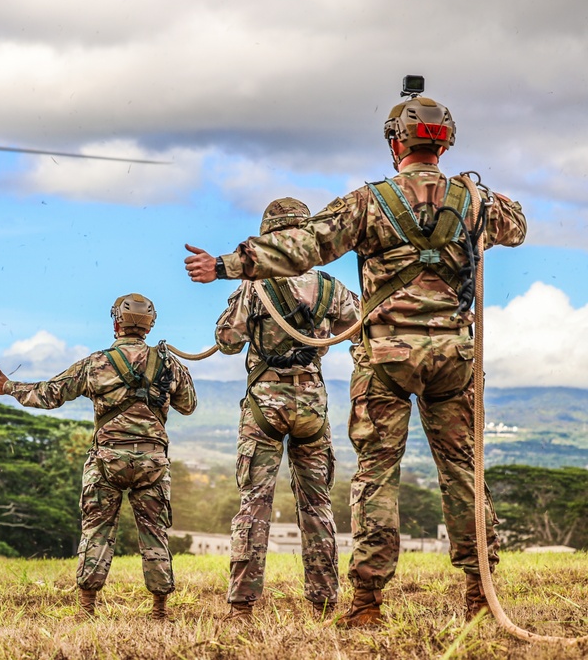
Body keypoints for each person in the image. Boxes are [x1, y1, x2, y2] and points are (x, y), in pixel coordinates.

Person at [184, 93, 526, 627]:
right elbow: (517, 227)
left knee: (375, 476)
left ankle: (367, 604)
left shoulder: (368, 203)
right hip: (455, 356)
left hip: (385, 357)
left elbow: (305, 245)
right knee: (463, 474)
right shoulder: (475, 201)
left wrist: (230, 265)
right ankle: (480, 595)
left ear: (395, 143)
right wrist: (476, 195)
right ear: (447, 142)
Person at [0, 294, 197, 620]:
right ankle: (159, 612)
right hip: (153, 463)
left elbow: (50, 394)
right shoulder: (168, 363)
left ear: (116, 322)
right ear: (150, 325)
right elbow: (188, 405)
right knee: (155, 535)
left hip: (107, 461)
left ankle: (87, 609)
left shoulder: (96, 363)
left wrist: (9, 387)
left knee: (96, 531)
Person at [215, 198, 360, 621]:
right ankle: (323, 600)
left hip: (265, 401)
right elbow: (358, 327)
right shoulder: (331, 288)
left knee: (255, 503)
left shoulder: (254, 285)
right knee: (317, 505)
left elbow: (226, 340)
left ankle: (242, 606)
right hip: (312, 402)